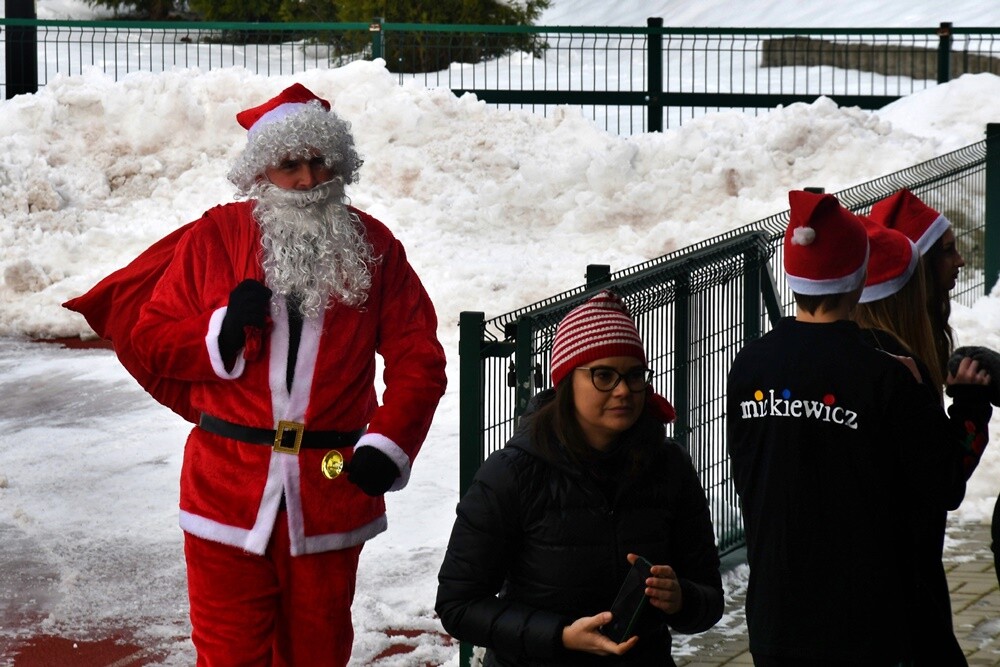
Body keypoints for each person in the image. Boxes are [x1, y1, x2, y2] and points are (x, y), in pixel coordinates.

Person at [65, 83, 447, 666]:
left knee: (317, 654)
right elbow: (151, 338)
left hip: (329, 487)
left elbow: (419, 358)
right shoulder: (217, 236)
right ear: (260, 171)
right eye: (289, 164)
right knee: (228, 655)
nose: (308, 179)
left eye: (319, 161)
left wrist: (388, 442)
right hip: (225, 488)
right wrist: (219, 330)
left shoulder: (375, 246)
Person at [726, 190, 992, 665]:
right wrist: (968, 405)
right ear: (859, 277)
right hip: (864, 623)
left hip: (776, 617)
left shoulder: (749, 365)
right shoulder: (886, 375)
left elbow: (747, 475)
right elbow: (944, 482)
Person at [436, 290, 724, 666]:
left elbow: (709, 597)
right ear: (566, 381)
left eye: (635, 375)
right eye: (604, 375)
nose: (623, 390)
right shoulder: (511, 474)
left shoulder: (669, 466)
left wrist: (681, 598)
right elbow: (458, 605)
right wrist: (559, 636)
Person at [852, 218, 993, 665]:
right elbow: (943, 480)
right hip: (898, 592)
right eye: (947, 251)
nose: (960, 261)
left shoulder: (881, 356)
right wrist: (970, 409)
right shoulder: (897, 372)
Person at [868, 188, 965, 387]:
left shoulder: (919, 325)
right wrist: (970, 400)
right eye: (948, 250)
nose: (960, 261)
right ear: (921, 265)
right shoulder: (888, 359)